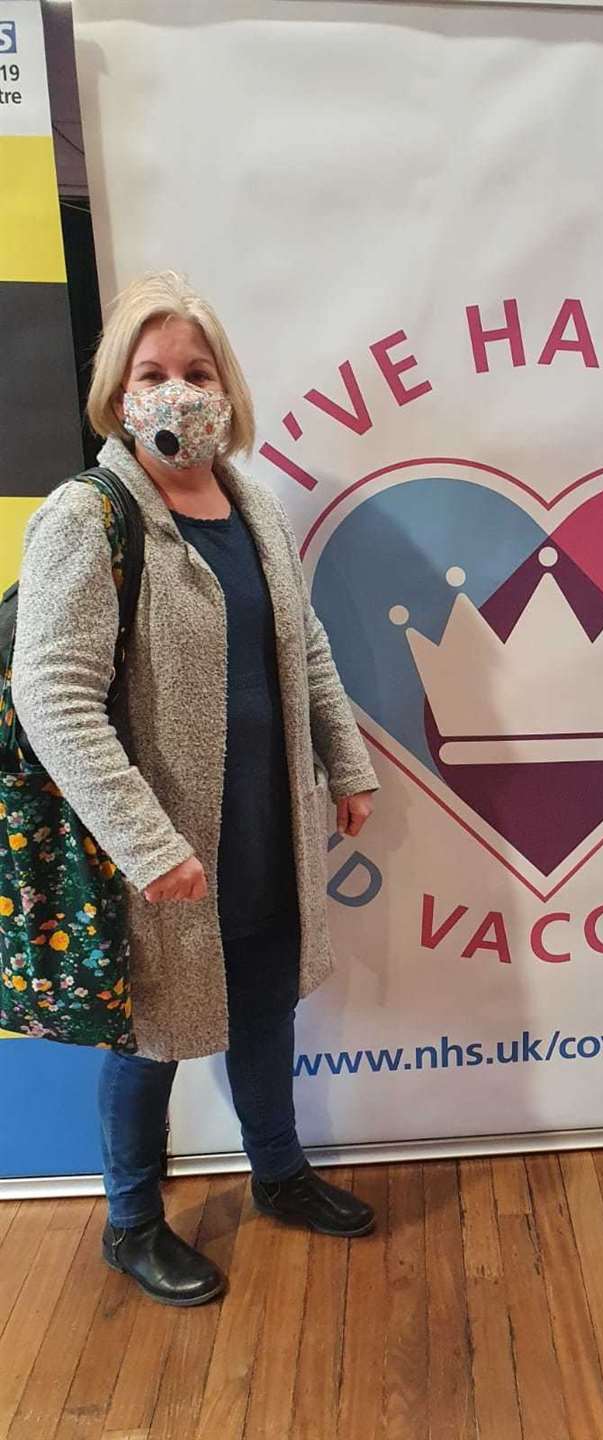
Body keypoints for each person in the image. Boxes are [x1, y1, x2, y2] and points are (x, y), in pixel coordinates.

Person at [13, 271, 380, 1307]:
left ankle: (279, 1174)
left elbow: (300, 644)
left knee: (266, 1009)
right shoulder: (87, 519)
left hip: (262, 828)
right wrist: (145, 840)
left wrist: (343, 765)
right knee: (152, 1042)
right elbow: (54, 696)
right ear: (117, 393)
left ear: (228, 388)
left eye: (198, 371)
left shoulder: (250, 500)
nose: (177, 392)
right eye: (153, 373)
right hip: (164, 853)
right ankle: (131, 1223)